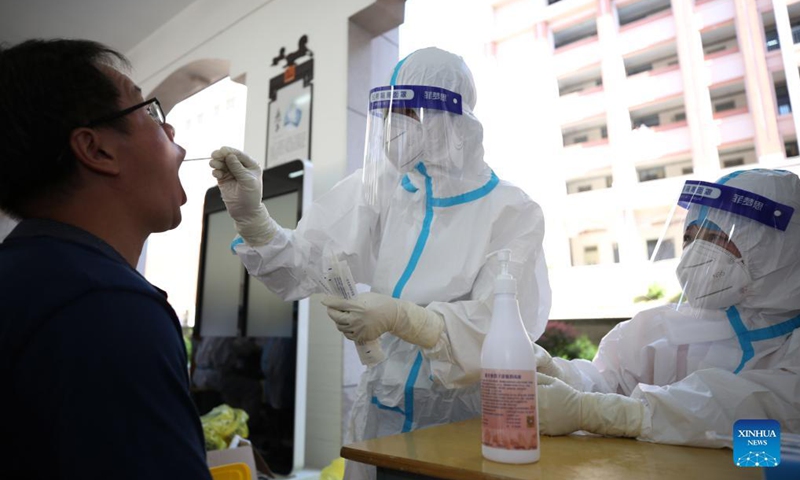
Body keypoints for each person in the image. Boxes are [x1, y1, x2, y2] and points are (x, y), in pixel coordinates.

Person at [210, 47, 551, 478]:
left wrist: (402, 317)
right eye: (390, 111)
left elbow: (501, 330)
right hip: (380, 419)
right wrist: (253, 221)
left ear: (448, 116)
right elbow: (307, 262)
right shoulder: (386, 188)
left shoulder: (511, 211)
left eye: (407, 111)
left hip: (459, 429)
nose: (394, 126)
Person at [0, 39, 211, 479]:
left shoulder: (29, 274)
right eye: (149, 111)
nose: (171, 132)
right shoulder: (105, 306)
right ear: (97, 150)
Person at [534, 169, 800, 445]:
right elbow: (603, 384)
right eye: (691, 237)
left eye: (717, 239)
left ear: (779, 251)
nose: (697, 253)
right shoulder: (658, 329)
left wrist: (615, 415)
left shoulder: (792, 346)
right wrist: (558, 375)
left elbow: (762, 421)